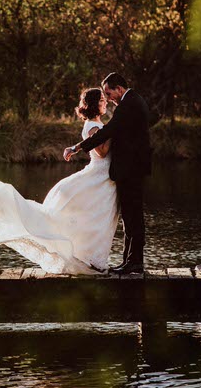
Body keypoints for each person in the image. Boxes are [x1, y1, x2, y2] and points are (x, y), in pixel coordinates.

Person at [0, 88, 119, 274]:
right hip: (97, 176)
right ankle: (89, 257)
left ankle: (91, 257)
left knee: (95, 219)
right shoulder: (92, 126)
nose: (105, 103)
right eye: (102, 100)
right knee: (93, 217)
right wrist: (115, 130)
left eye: (105, 99)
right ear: (94, 103)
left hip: (103, 178)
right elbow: (102, 152)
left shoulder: (97, 123)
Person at [64, 73, 152, 274]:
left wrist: (78, 147)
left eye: (109, 93)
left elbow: (109, 130)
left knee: (133, 218)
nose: (109, 97)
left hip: (131, 169)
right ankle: (129, 261)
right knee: (129, 217)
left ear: (119, 88)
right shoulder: (131, 101)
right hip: (129, 168)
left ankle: (135, 262)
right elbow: (111, 132)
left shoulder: (130, 103)